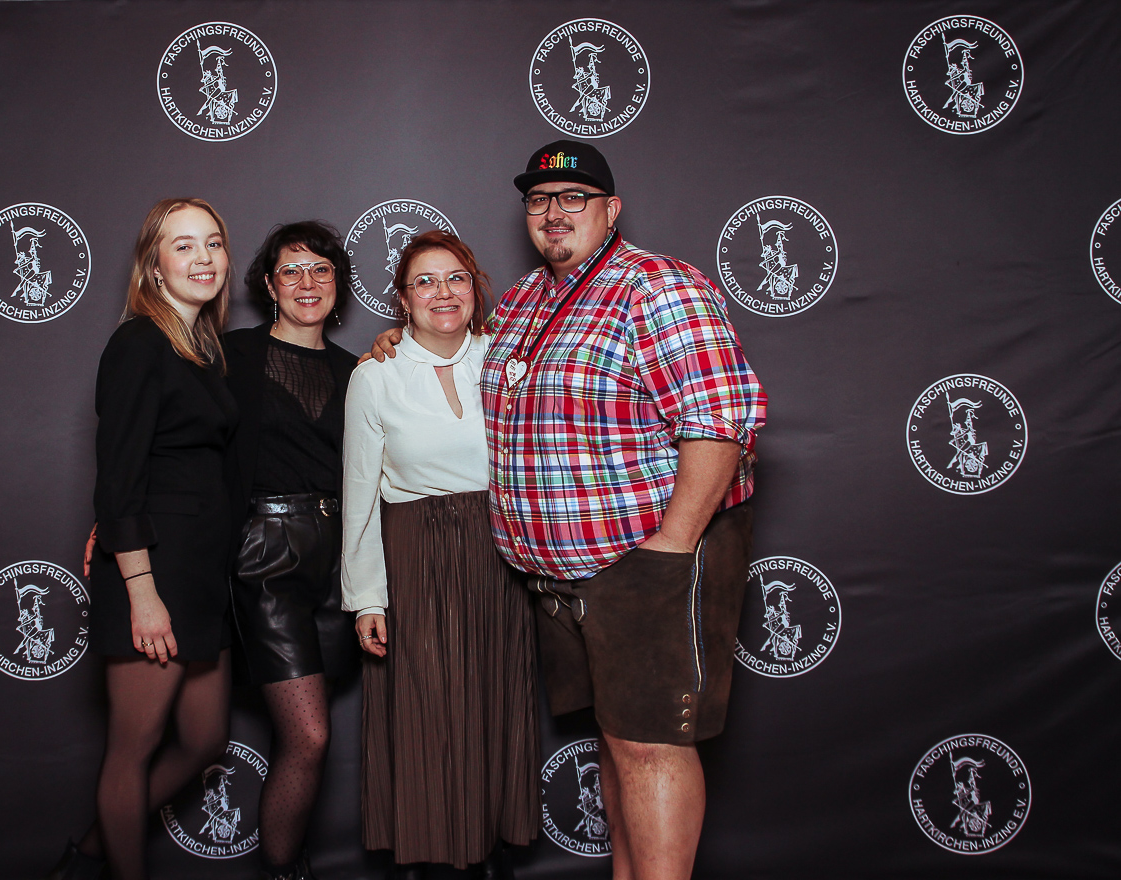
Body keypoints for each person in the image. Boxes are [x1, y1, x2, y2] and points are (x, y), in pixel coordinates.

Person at [372, 142, 766, 880]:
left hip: (646, 557)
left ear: (611, 210)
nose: (554, 212)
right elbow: (461, 358)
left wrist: (673, 546)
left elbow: (721, 420)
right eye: (539, 200)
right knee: (619, 741)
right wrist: (403, 339)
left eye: (574, 198)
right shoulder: (524, 300)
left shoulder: (657, 286)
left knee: (651, 745)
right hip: (562, 578)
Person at [342, 231, 538, 877]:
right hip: (415, 558)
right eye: (424, 281)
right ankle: (427, 857)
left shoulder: (509, 359)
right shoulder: (375, 376)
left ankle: (488, 852)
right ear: (402, 299)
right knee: (427, 711)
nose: (442, 292)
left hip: (500, 557)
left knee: (494, 703)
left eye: (455, 278)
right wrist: (367, 598)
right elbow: (360, 494)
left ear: (475, 288)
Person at [58, 198, 239, 880]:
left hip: (199, 576)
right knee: (132, 749)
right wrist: (141, 591)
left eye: (213, 243)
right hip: (154, 575)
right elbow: (119, 477)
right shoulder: (139, 343)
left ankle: (88, 855)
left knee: (205, 740)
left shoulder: (201, 350)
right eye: (183, 245)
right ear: (154, 266)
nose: (203, 258)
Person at [221, 222, 359, 880]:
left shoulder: (358, 371)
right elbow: (177, 443)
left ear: (338, 286)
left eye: (321, 270)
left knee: (304, 735)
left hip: (339, 563)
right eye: (292, 271)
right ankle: (283, 872)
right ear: (270, 286)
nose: (308, 283)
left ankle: (288, 859)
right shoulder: (232, 356)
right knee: (309, 734)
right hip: (266, 558)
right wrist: (121, 518)